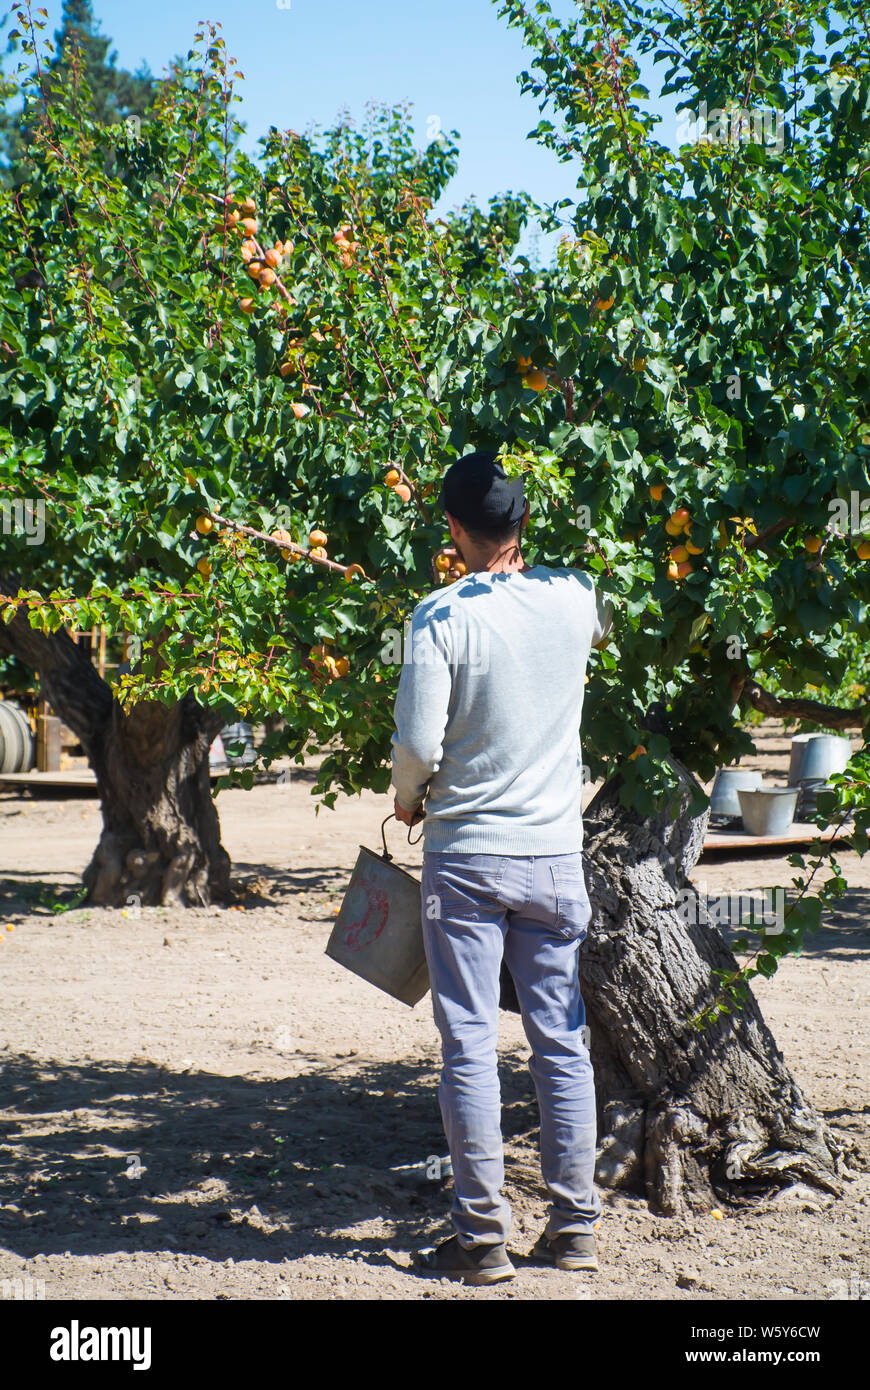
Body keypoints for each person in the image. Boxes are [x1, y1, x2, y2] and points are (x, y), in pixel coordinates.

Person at [390, 450, 614, 1286]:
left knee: (470, 1043)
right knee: (562, 1040)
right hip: (556, 857)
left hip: (471, 859)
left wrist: (410, 801)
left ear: (453, 532)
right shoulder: (578, 597)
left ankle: (482, 1239)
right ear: (523, 526)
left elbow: (417, 746)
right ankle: (576, 1230)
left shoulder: (439, 618)